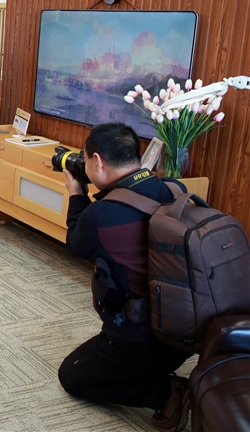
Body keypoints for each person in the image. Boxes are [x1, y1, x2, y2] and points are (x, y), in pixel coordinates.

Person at [57, 123, 191, 432]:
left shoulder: (102, 214)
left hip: (139, 340)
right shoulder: (174, 189)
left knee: (72, 376)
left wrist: (77, 195)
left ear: (98, 161)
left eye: (85, 160)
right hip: (184, 332)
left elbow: (76, 245)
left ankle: (166, 392)